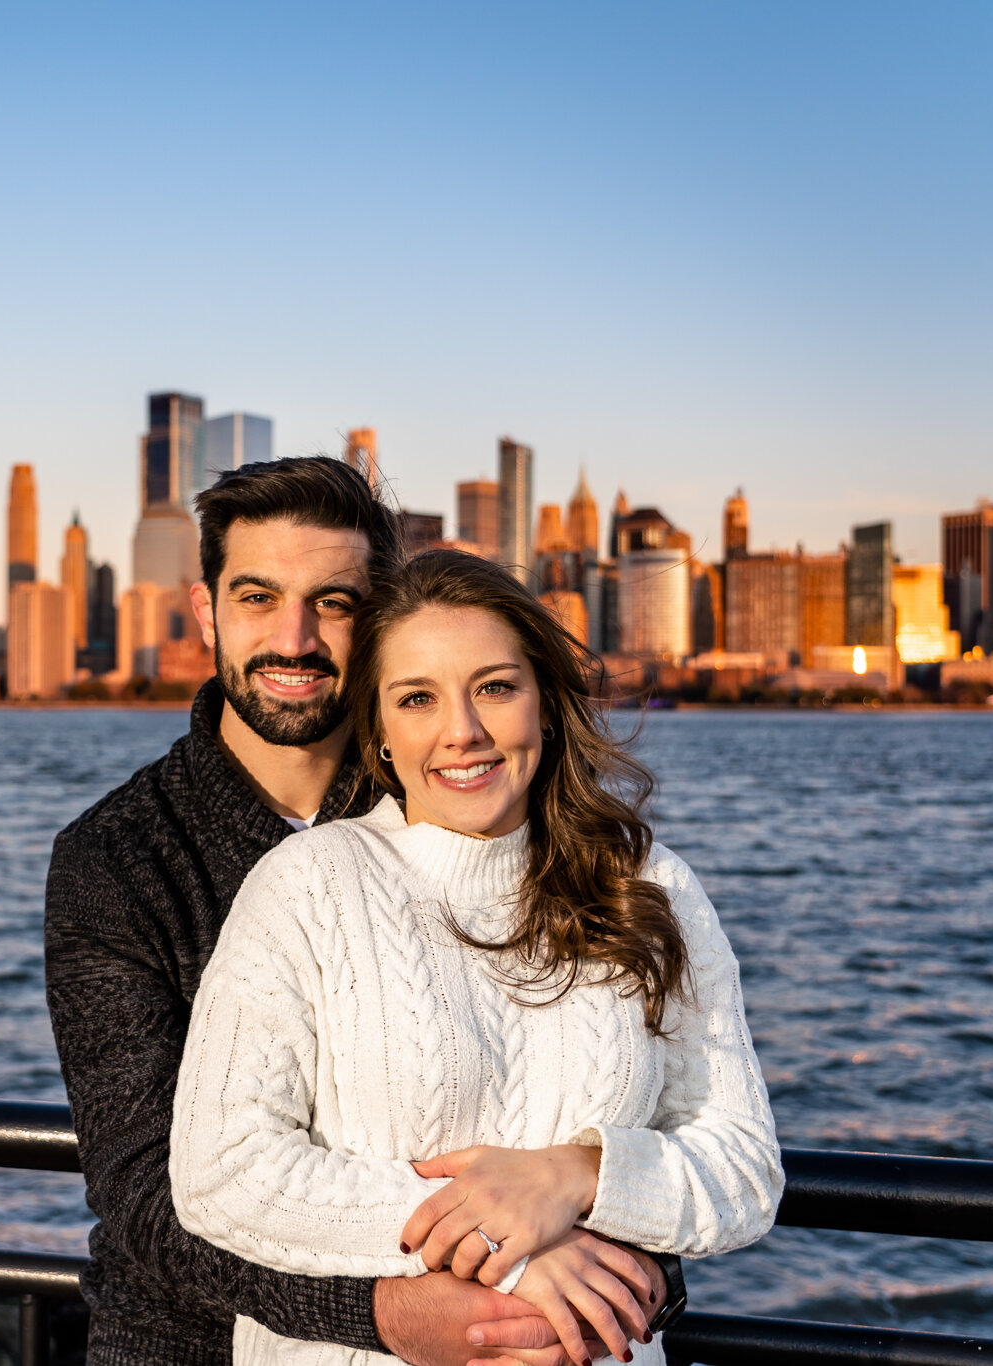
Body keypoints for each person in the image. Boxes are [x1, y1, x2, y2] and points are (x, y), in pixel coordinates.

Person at [45, 461, 673, 1366]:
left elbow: (618, 1098)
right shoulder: (117, 858)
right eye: (257, 597)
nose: (292, 639)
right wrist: (402, 1308)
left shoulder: (476, 811)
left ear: (378, 620)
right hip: (188, 1347)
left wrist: (621, 1256)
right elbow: (152, 1195)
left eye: (333, 603)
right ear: (206, 611)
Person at [169, 549, 783, 1366]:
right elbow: (222, 1170)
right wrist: (510, 1243)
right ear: (380, 733)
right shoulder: (307, 885)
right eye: (416, 698)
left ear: (545, 704)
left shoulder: (648, 884)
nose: (461, 731)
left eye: (495, 687)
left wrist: (577, 1176)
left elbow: (743, 1173)